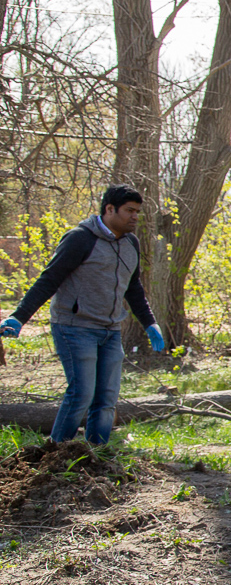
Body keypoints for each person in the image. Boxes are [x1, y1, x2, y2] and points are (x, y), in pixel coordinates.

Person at [1, 185, 167, 444]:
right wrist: (19, 316)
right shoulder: (80, 238)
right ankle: (56, 454)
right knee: (81, 394)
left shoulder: (130, 243)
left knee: (106, 398)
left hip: (110, 330)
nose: (135, 217)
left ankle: (96, 456)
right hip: (74, 328)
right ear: (109, 209)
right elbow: (50, 279)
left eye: (138, 211)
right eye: (129, 211)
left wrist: (149, 323)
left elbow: (133, 288)